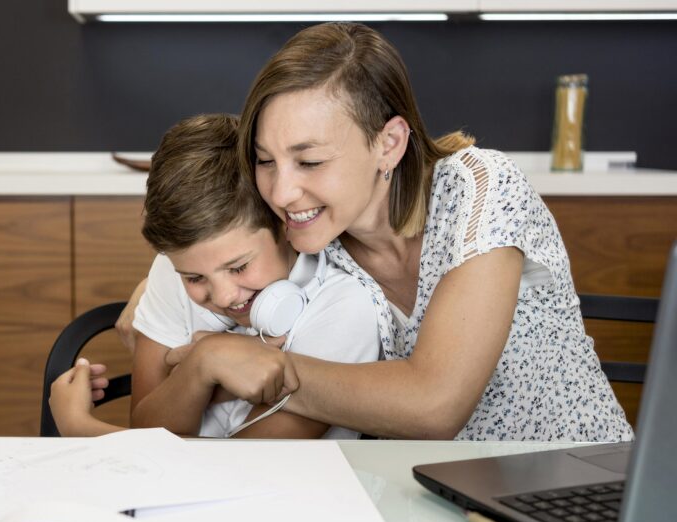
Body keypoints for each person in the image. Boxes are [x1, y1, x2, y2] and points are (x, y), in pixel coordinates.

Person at [116, 22, 633, 442]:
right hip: (427, 496)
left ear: (388, 143)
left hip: (573, 477)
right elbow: (199, 262)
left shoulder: (481, 189)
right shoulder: (314, 234)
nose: (280, 191)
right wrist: (156, 301)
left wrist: (233, 362)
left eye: (310, 160)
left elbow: (434, 406)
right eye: (265, 160)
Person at [51, 113, 379, 438]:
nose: (222, 297)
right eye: (194, 278)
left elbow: (248, 470)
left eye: (238, 267)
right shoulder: (171, 269)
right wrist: (203, 368)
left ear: (284, 221)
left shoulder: (345, 306)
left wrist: (81, 428)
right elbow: (147, 428)